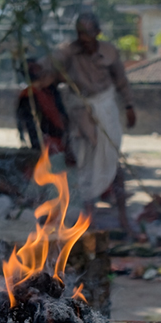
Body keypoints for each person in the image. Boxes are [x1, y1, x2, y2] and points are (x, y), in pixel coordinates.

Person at [37, 12, 136, 232]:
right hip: (82, 113)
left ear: (97, 33)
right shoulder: (68, 51)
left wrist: (129, 106)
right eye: (80, 33)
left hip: (106, 109)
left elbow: (121, 80)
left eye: (88, 33)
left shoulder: (109, 52)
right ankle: (89, 220)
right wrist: (40, 68)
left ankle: (123, 219)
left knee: (112, 161)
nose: (83, 38)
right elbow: (49, 66)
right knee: (85, 165)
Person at [16, 60, 68, 155]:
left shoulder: (50, 89)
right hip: (46, 141)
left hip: (60, 138)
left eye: (38, 67)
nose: (38, 70)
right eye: (32, 68)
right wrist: (38, 145)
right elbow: (31, 125)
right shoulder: (28, 95)